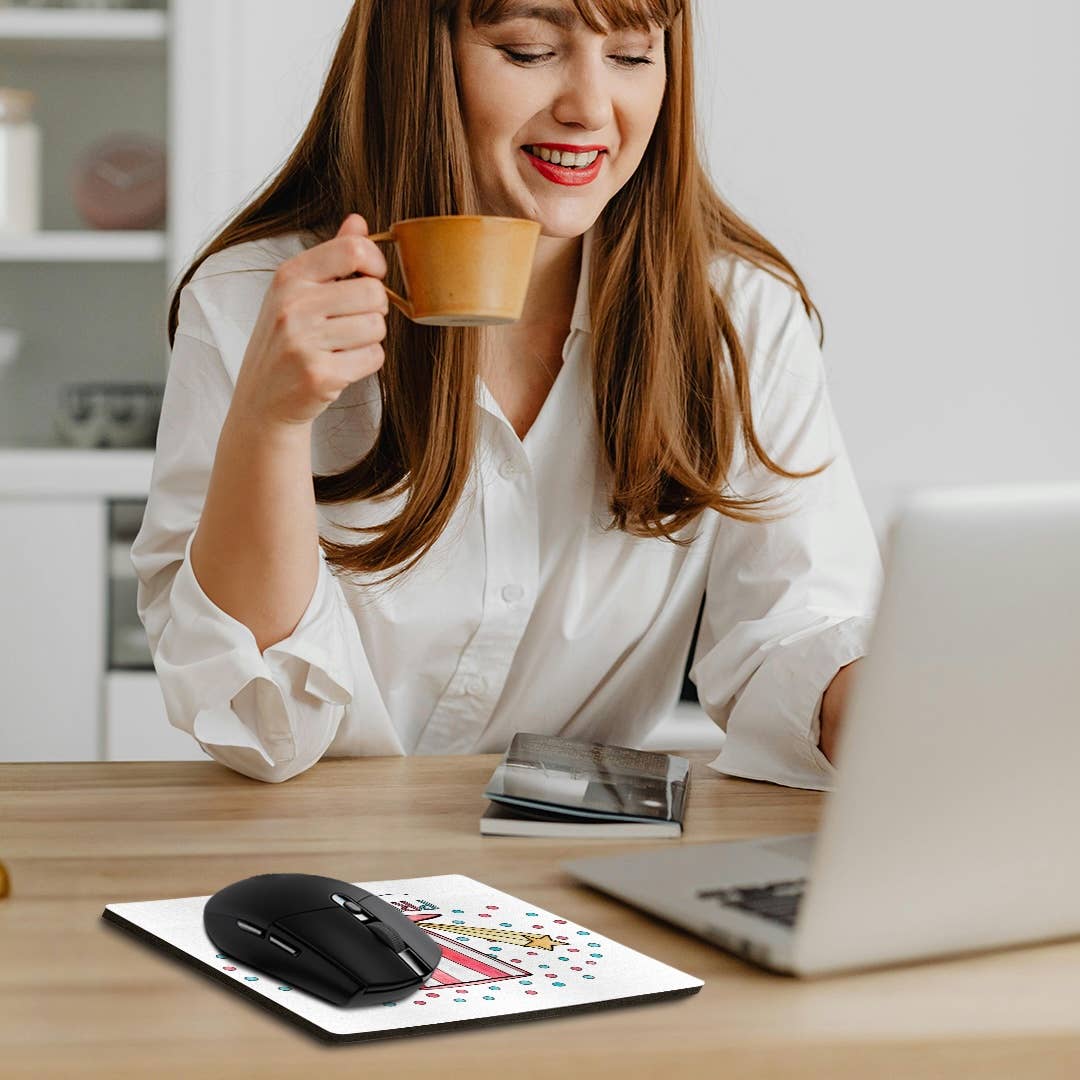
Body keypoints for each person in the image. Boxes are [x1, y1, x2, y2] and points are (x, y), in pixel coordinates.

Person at [132, 0, 882, 788]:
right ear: (420, 60)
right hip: (314, 852)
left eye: (631, 57)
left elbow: (798, 631)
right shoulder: (252, 301)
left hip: (575, 852)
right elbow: (257, 724)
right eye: (528, 51)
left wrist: (895, 711)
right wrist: (272, 423)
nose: (592, 108)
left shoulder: (739, 316)